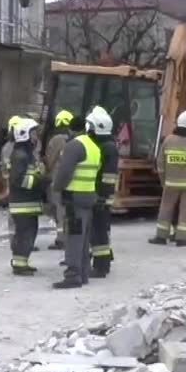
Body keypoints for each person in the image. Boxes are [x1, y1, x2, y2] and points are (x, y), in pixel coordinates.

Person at [52, 107, 104, 289]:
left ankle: (72, 275)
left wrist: (56, 188)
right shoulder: (94, 147)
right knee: (83, 236)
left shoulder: (74, 146)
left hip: (74, 197)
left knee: (74, 236)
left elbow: (64, 172)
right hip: (89, 196)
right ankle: (83, 273)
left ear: (70, 129)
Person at [151, 111, 186, 246]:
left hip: (171, 183)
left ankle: (161, 237)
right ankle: (181, 238)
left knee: (166, 209)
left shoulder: (168, 141)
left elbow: (160, 164)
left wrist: (164, 181)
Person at [7, 117, 44, 276]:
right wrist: (39, 177)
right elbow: (19, 180)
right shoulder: (20, 155)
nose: (36, 137)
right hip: (22, 204)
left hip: (28, 203)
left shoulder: (26, 154)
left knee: (29, 232)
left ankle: (22, 262)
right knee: (24, 233)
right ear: (24, 135)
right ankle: (19, 265)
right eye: (33, 133)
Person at [89, 108, 119, 278]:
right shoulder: (107, 145)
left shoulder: (107, 148)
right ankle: (105, 259)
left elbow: (108, 176)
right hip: (101, 195)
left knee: (99, 230)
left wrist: (102, 197)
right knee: (101, 229)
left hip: (101, 196)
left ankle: (101, 266)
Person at [44, 110, 75, 249]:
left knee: (59, 210)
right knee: (67, 210)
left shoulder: (56, 140)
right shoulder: (75, 139)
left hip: (57, 180)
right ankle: (70, 237)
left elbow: (50, 161)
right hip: (71, 180)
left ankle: (61, 239)